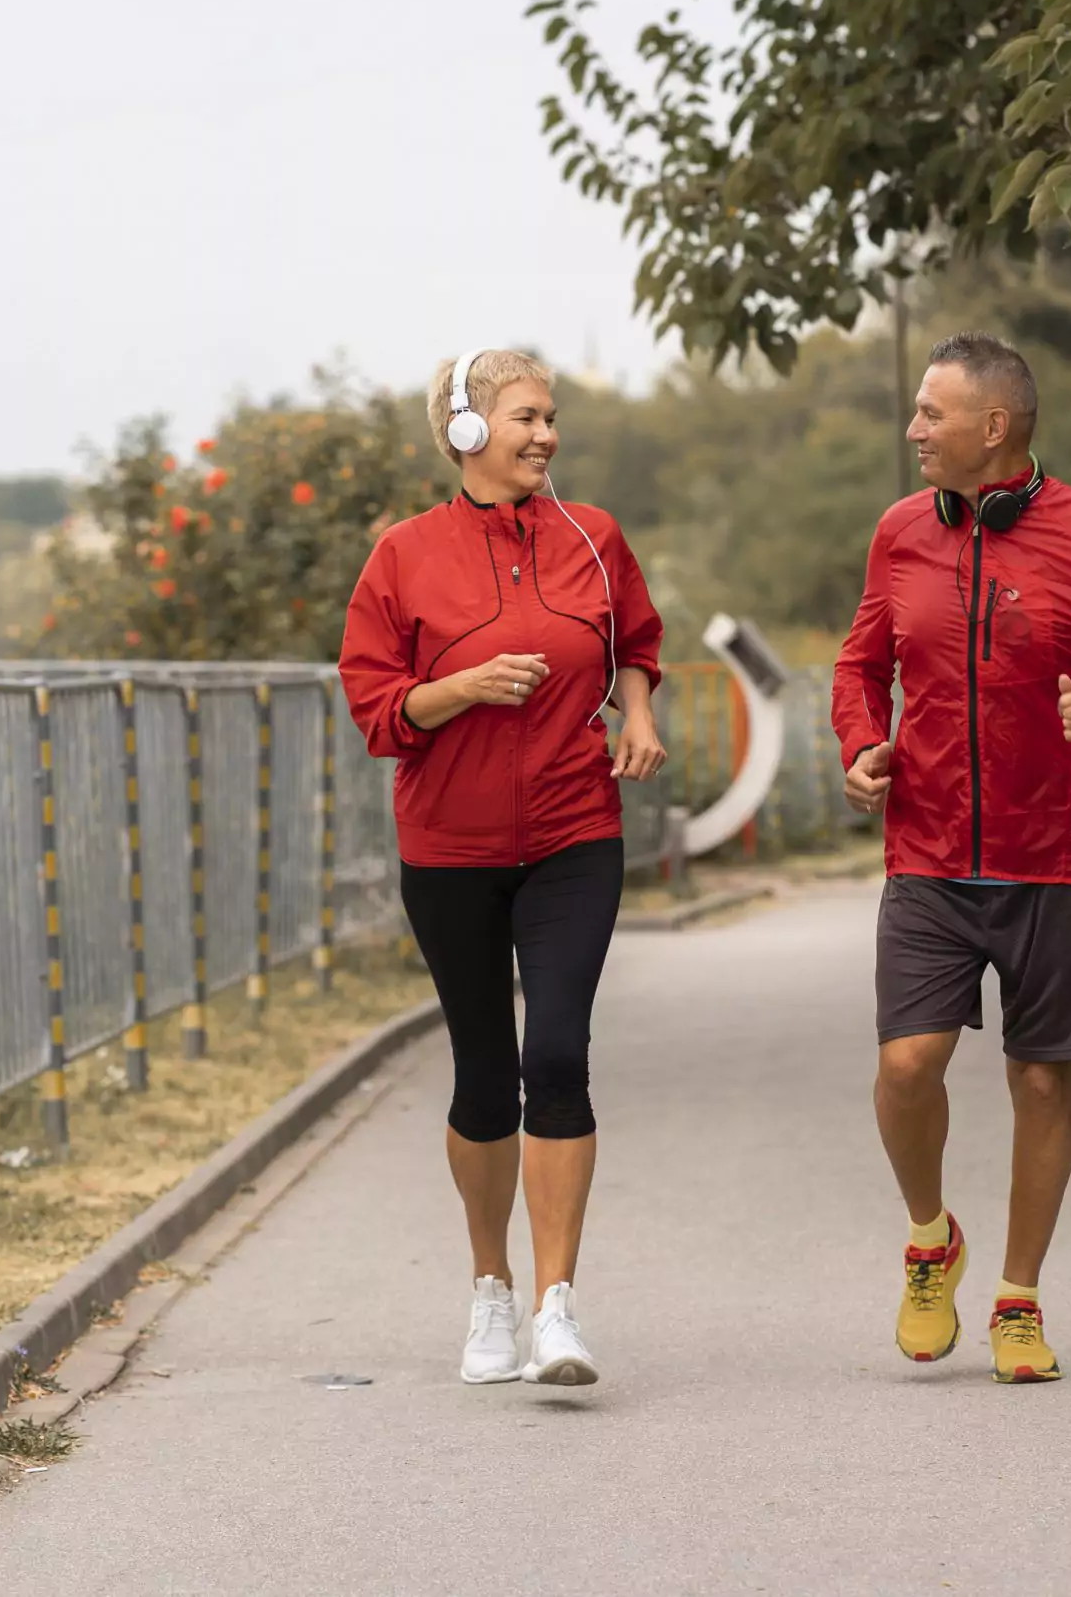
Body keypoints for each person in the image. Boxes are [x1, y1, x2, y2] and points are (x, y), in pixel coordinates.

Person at [835, 331, 1071, 1383]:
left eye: (928, 415)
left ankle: (1019, 1300)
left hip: (1060, 859)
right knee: (907, 1065)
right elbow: (860, 664)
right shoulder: (900, 534)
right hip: (930, 852)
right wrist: (861, 742)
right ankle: (929, 1236)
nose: (912, 431)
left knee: (1042, 1086)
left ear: (991, 427)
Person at [339, 348, 667, 1387]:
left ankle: (555, 1307)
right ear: (467, 432)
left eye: (551, 418)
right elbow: (378, 713)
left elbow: (638, 639)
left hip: (576, 833)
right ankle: (489, 1292)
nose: (546, 437)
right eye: (526, 418)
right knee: (484, 1076)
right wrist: (465, 687)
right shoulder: (401, 557)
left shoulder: (591, 535)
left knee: (557, 1055)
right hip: (451, 851)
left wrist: (642, 712)